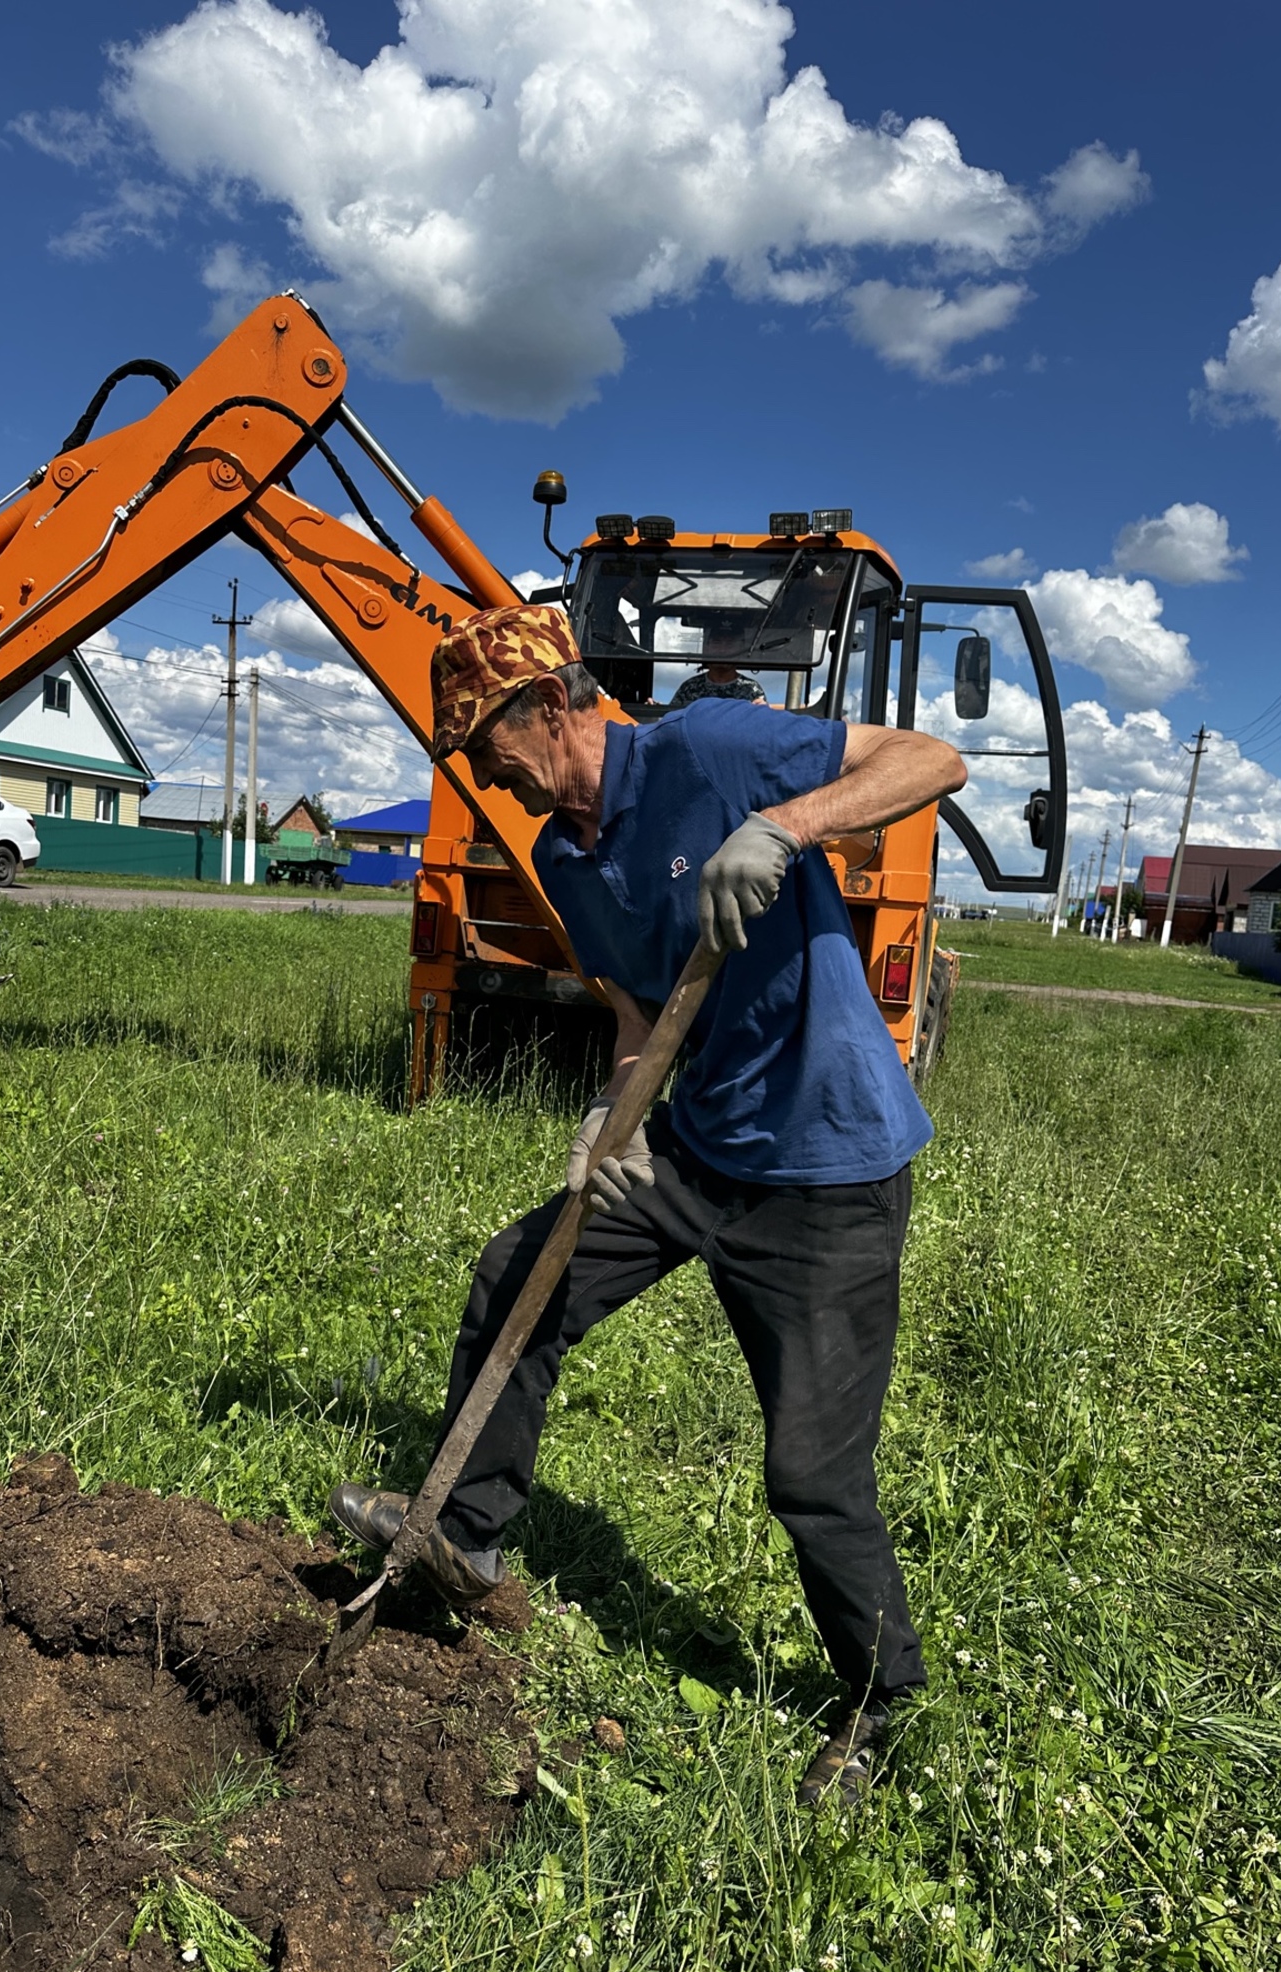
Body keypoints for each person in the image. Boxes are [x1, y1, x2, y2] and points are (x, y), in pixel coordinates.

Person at [330, 606, 967, 1806]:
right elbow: (635, 1016)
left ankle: (879, 1701)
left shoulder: (709, 749)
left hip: (826, 1167)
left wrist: (783, 827)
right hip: (694, 1149)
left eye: (486, 748)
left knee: (811, 1472)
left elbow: (932, 761)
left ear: (551, 706)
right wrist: (609, 1119)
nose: (483, 778)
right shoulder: (565, 860)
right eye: (465, 760)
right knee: (518, 1275)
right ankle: (467, 1537)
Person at [667, 661, 768, 708]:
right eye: (717, 644)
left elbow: (761, 726)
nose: (723, 650)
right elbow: (671, 720)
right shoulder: (690, 687)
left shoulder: (751, 688)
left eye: (729, 645)